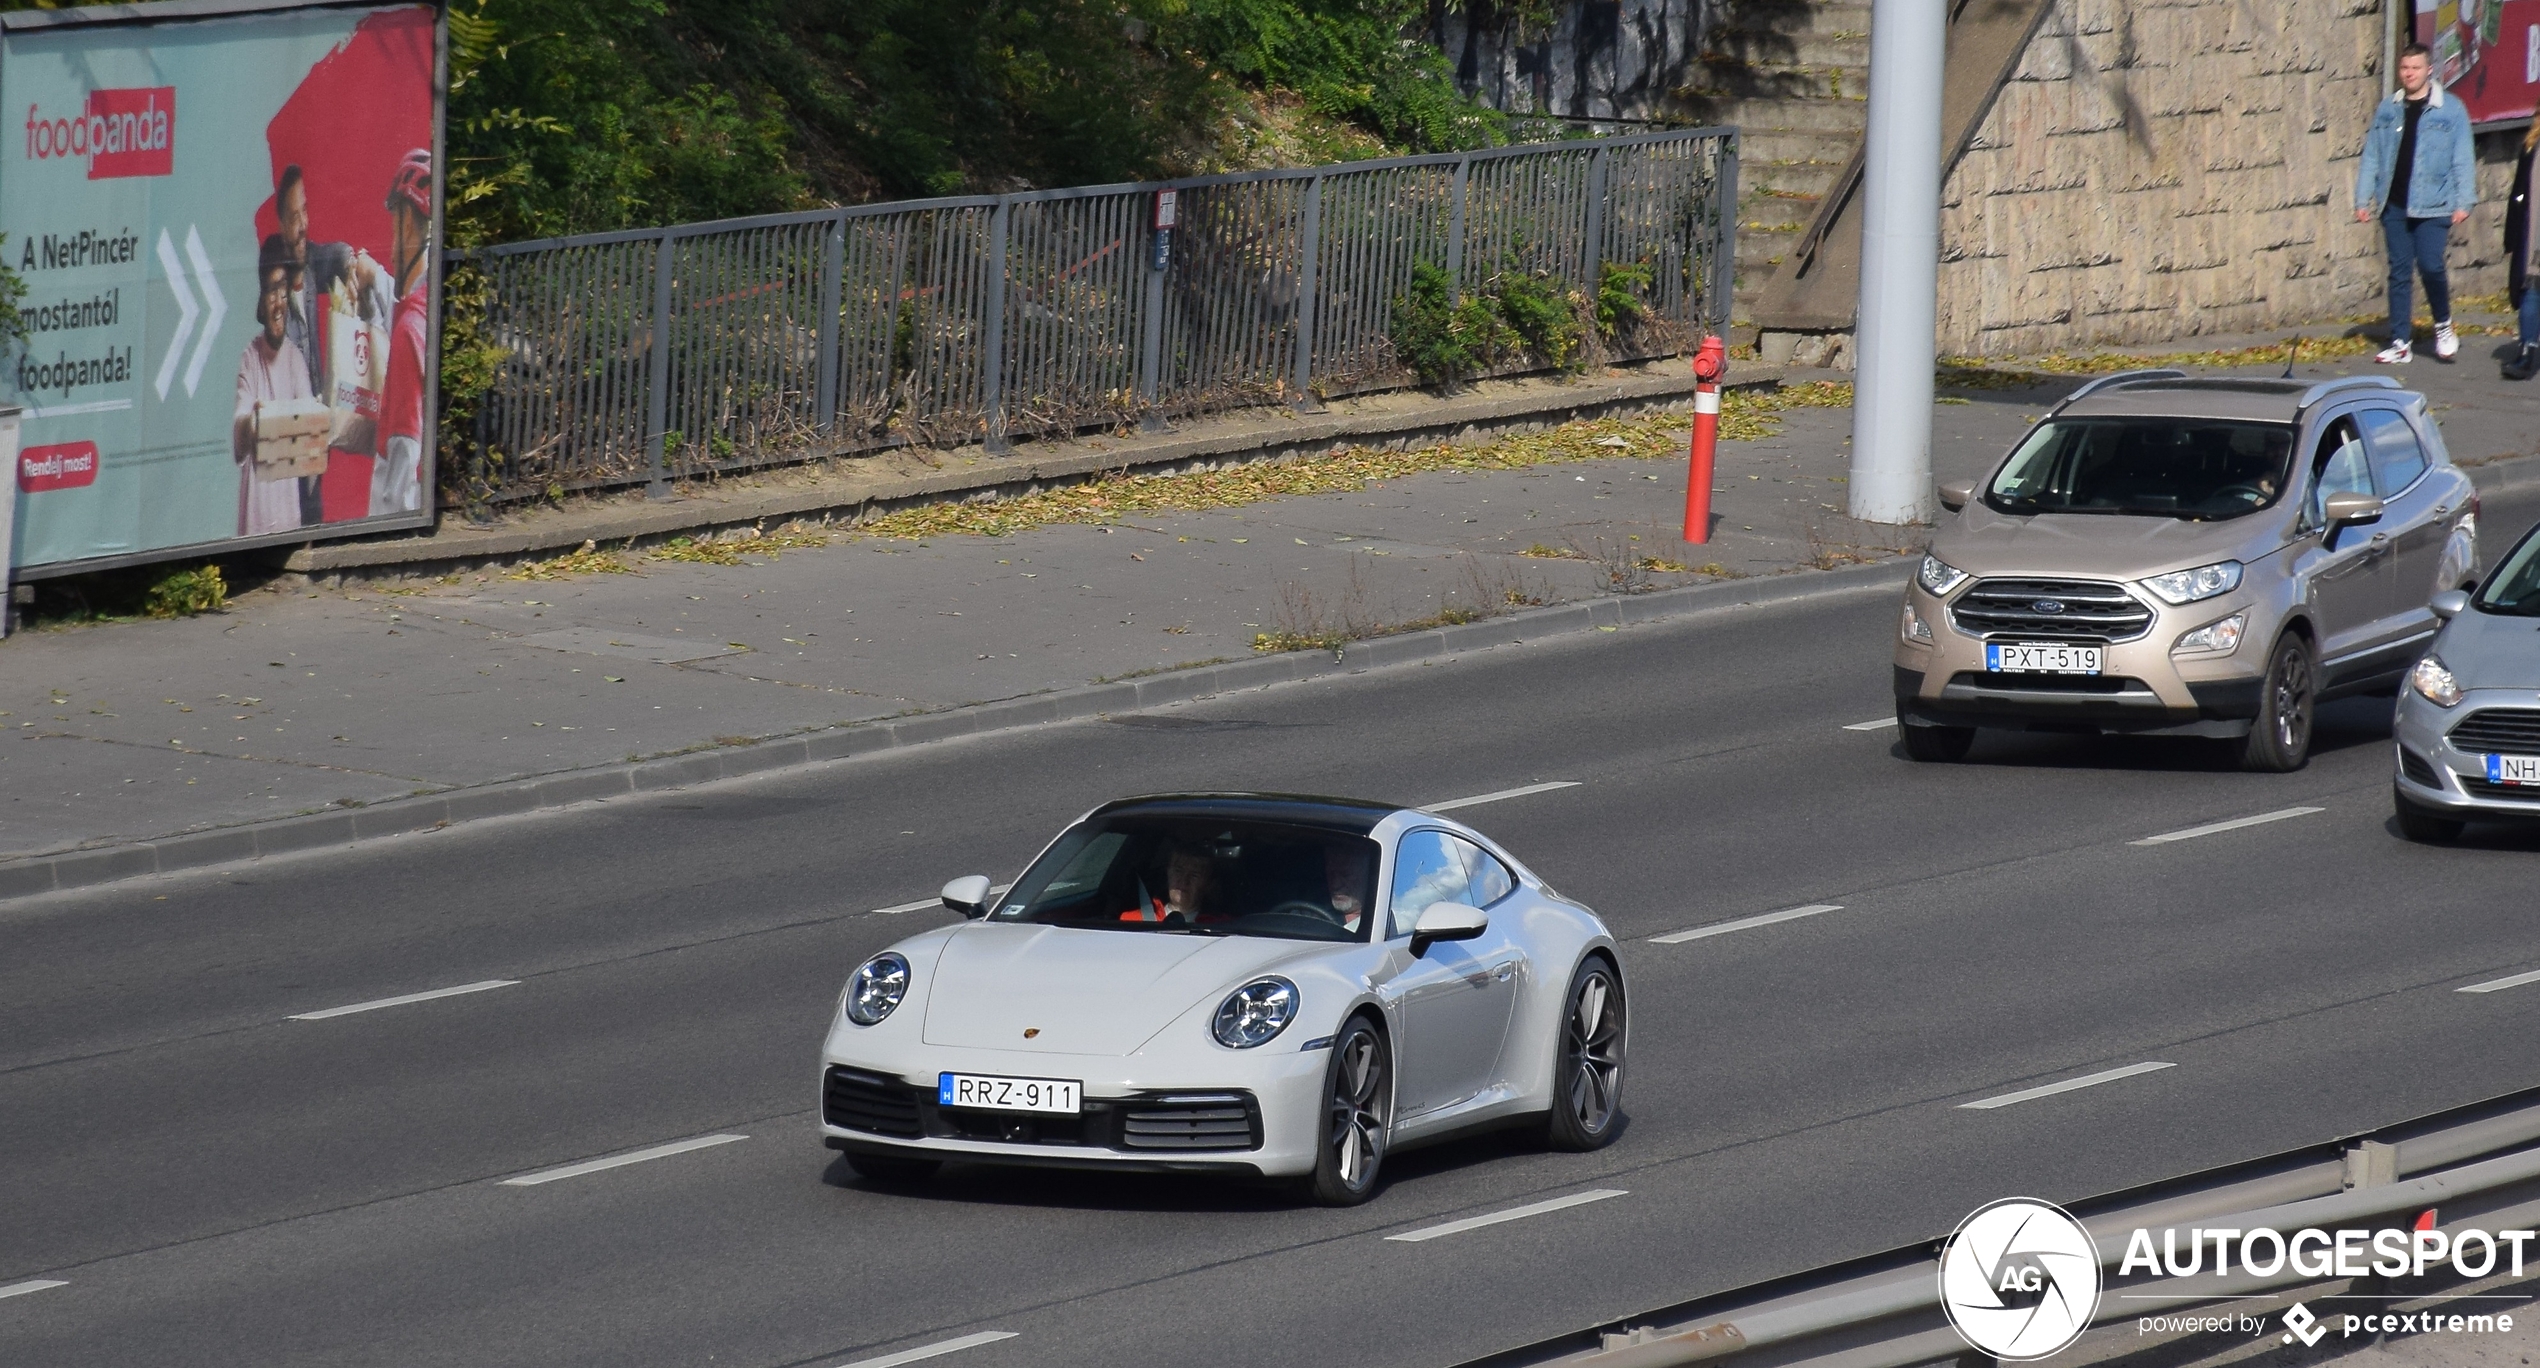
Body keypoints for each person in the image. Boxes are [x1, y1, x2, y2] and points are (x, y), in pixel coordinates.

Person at [2354, 44, 2478, 365]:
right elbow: (2372, 156)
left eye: (2415, 68)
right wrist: (2363, 198)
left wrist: (2464, 200)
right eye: (2404, 68)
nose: (2409, 74)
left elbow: (2462, 158)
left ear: (2429, 70)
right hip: (2394, 204)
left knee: (2430, 265)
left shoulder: (2450, 109)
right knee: (2398, 272)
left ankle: (2443, 325)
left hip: (2434, 204)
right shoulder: (2388, 109)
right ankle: (2399, 342)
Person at [232, 235, 315, 537]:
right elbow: (240, 430)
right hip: (256, 509)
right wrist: (253, 423)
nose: (278, 303)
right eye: (271, 291)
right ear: (261, 298)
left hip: (288, 509)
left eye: (282, 290)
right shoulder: (250, 358)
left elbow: (309, 424)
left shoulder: (295, 359)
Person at [373, 149, 434, 516]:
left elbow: (403, 455)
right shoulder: (430, 309)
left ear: (407, 222)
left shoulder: (409, 330)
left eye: (393, 220)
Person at [2504, 122, 2540, 379]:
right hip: (2534, 236)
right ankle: (2527, 350)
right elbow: (2518, 193)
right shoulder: (2531, 145)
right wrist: (2512, 235)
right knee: (2531, 291)